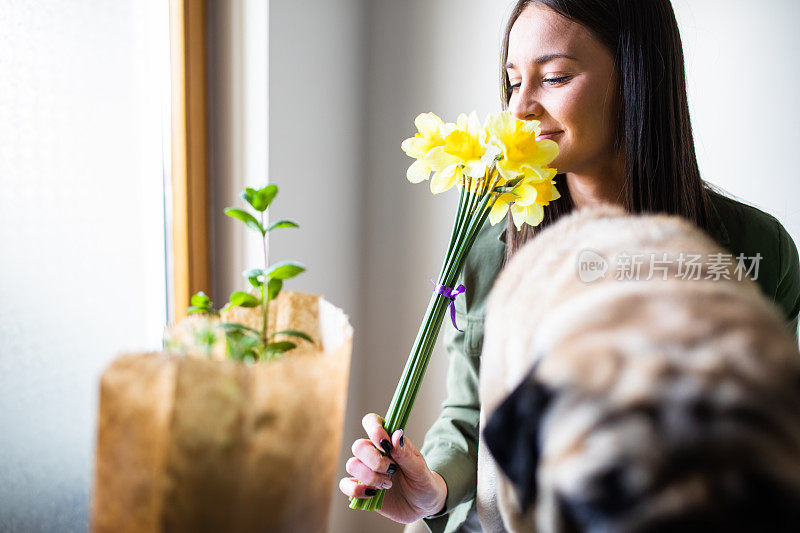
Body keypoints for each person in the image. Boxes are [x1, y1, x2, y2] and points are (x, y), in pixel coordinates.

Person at [339, 1, 800, 531]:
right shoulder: (489, 247)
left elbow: (768, 441)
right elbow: (469, 419)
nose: (520, 109)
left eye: (554, 77)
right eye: (513, 82)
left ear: (636, 78)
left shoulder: (750, 252)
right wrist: (432, 491)